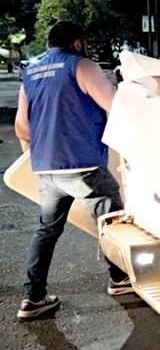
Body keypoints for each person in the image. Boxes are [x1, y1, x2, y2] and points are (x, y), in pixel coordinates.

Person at [14, 21, 133, 320]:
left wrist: (35, 161)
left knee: (46, 230)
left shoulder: (30, 73)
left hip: (46, 167)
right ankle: (119, 279)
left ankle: (33, 298)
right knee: (112, 220)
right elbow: (114, 106)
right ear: (78, 43)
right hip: (83, 165)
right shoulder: (81, 66)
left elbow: (22, 126)